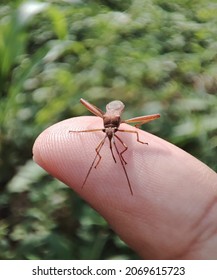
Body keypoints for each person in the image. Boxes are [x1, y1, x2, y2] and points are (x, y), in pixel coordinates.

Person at [33, 116, 217, 259]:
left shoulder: (117, 131)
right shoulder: (105, 130)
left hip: (115, 119)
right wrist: (80, 135)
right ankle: (96, 161)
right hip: (106, 119)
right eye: (109, 131)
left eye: (112, 131)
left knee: (120, 145)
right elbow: (99, 142)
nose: (110, 134)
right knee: (100, 148)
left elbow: (126, 139)